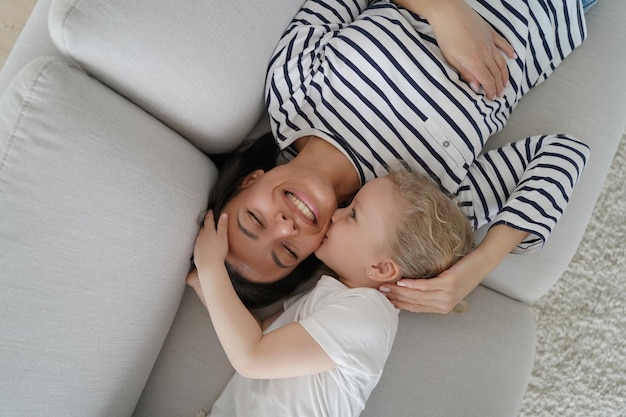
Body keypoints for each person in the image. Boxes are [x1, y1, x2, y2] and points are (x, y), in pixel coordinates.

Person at [204, 0, 590, 313]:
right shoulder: (411, 208)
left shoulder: (292, 93)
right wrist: (480, 264)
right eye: (287, 250)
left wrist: (443, 11)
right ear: (311, 253)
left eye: (254, 219)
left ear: (248, 180)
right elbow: (561, 155)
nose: (285, 226)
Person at [188, 170, 474, 417]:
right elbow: (260, 334)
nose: (335, 215)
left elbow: (253, 356)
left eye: (352, 214)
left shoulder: (368, 317)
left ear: (381, 268)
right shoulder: (339, 297)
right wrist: (206, 286)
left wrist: (211, 266)